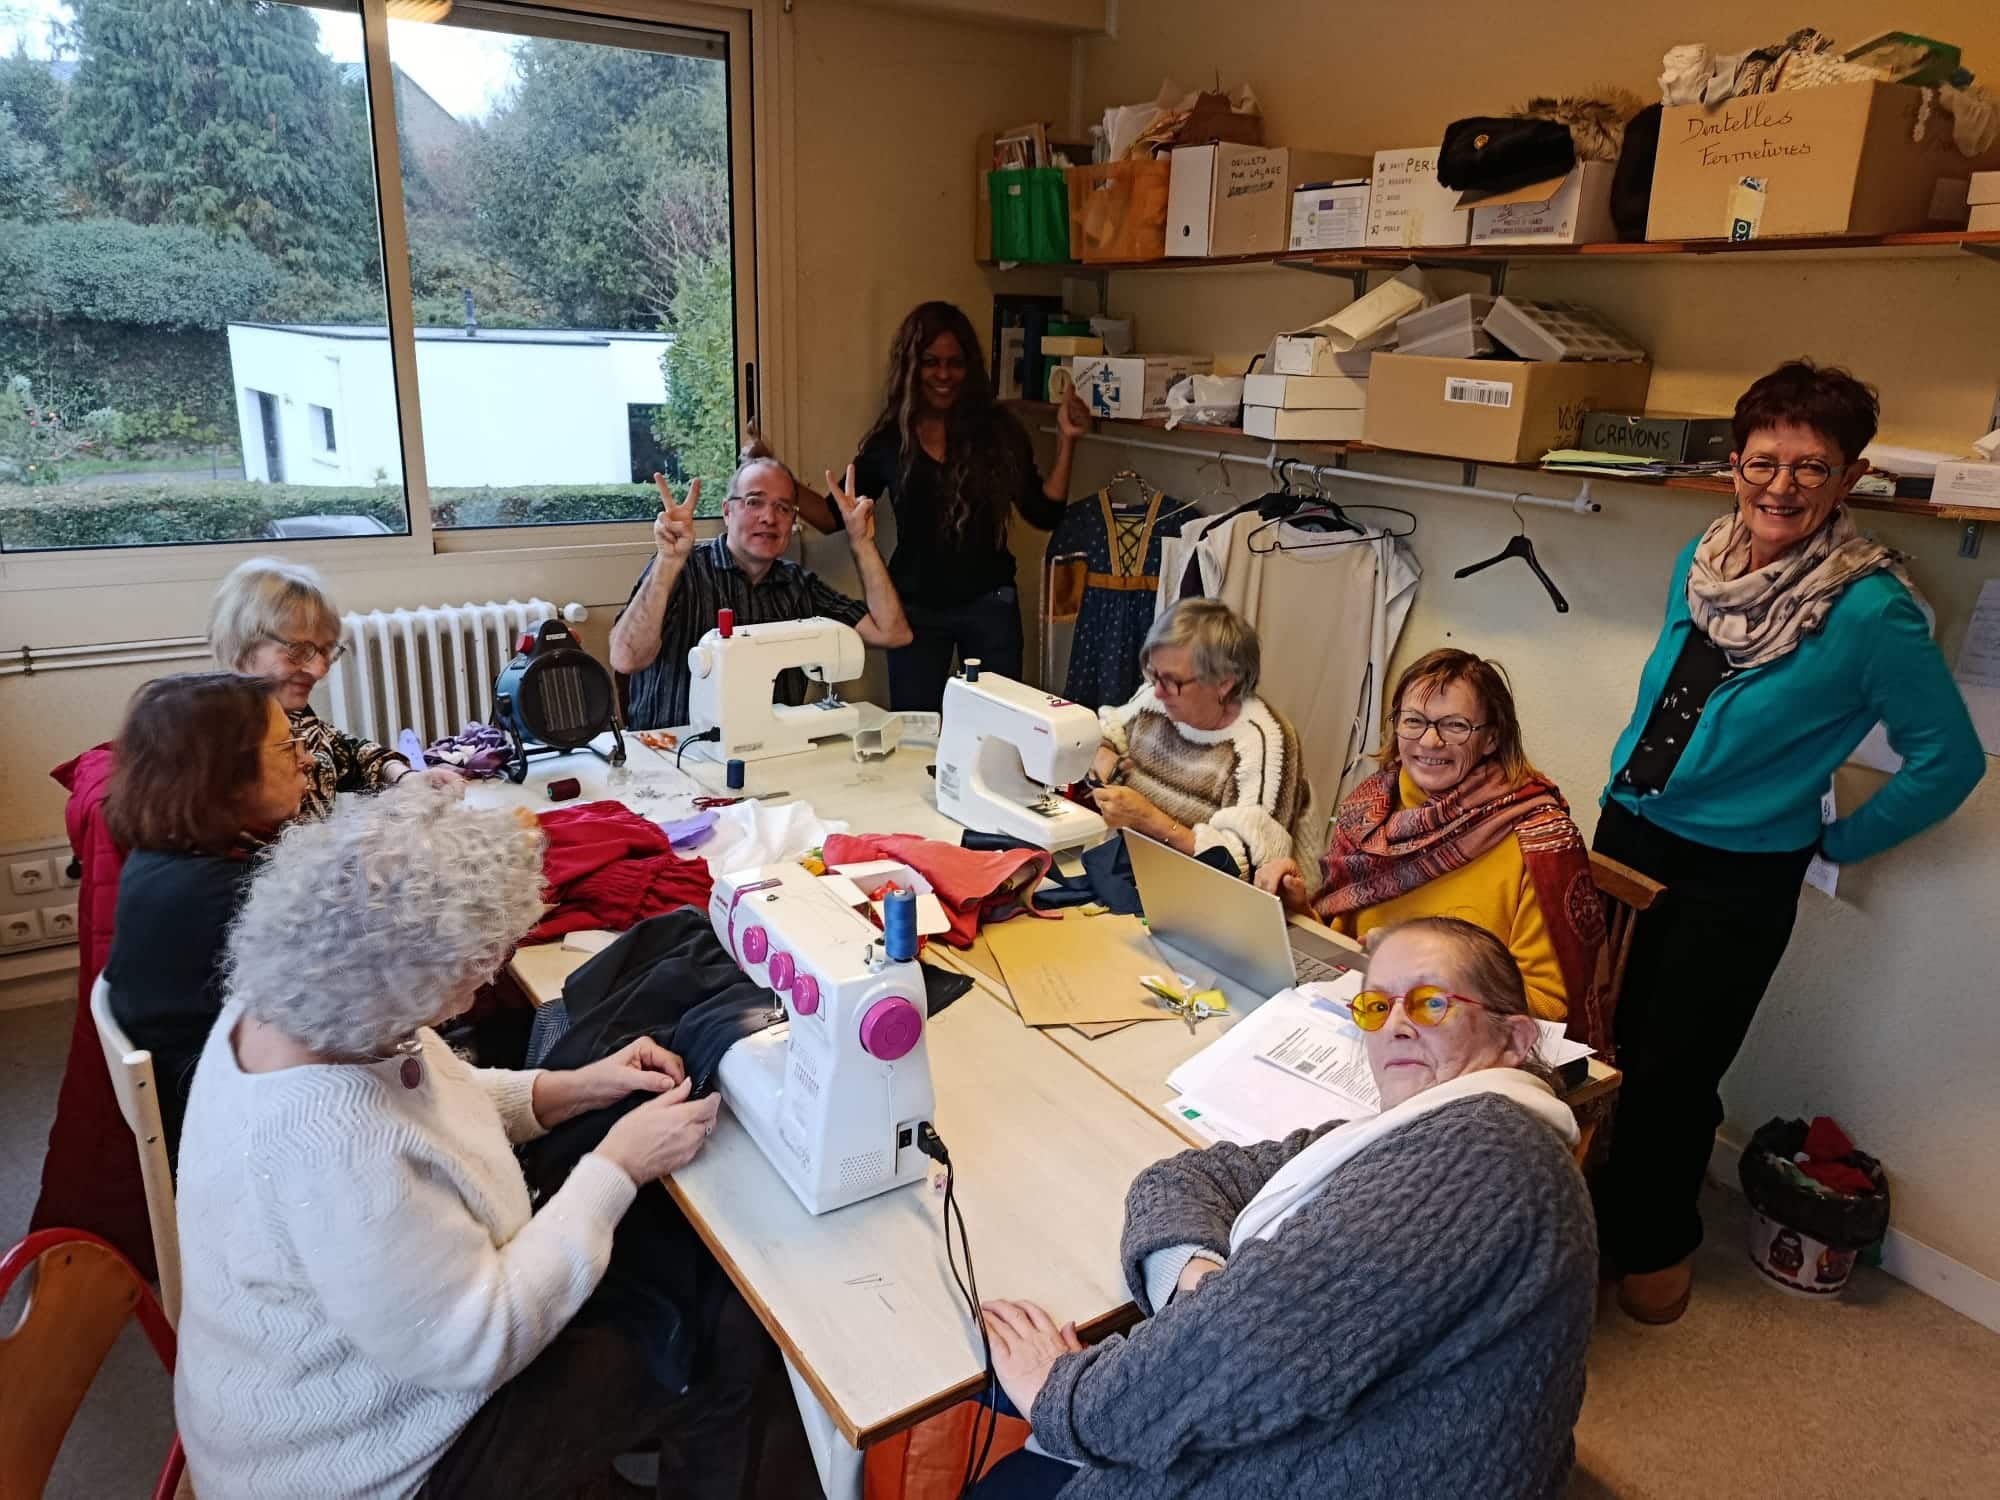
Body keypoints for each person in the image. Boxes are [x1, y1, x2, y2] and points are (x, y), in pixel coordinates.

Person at [172, 783, 798, 1499]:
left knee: (673, 1280)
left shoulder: (292, 1010)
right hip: (377, 1466)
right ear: (401, 982)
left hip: (360, 1377)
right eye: (471, 976)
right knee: (720, 1331)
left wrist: (574, 1087)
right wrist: (619, 1165)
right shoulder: (333, 1147)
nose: (481, 990)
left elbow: (432, 1103)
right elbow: (481, 1338)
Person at [1593, 361, 1983, 1326]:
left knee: (1676, 1072)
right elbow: (1675, 693)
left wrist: (1840, 841)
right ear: (1734, 464)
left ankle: (1652, 1245)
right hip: (1627, 831)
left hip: (1733, 874)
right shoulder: (1704, 557)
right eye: (1763, 461)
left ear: (1850, 478)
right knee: (1595, 1038)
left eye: (1811, 467)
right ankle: (1577, 1208)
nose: (1780, 486)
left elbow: (1950, 758)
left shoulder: (1871, 608)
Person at [971, 916, 1594, 1500]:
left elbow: (1247, 1351)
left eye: (1431, 1003)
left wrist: (1062, 1396)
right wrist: (1198, 1281)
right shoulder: (1400, 1135)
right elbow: (1184, 1179)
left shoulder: (1482, 1156)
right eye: (1376, 1007)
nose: (1396, 1026)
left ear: (1514, 1038)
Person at [1256, 648, 1604, 1040]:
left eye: (1455, 726)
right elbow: (1348, 950)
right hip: (1363, 1018)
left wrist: (1425, 968)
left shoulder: (1540, 839)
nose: (1430, 740)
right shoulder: (1371, 808)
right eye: (1414, 721)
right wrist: (1297, 908)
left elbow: (1550, 1008)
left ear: (1491, 738)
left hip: (1466, 1044)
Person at [794, 301, 1092, 712]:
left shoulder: (998, 433)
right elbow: (833, 517)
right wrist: (777, 480)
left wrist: (1067, 440)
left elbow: (1044, 512)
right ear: (911, 367)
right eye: (931, 362)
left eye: (955, 363)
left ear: (970, 368)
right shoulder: (891, 442)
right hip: (915, 612)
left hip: (990, 605)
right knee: (916, 730)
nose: (943, 374)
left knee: (998, 726)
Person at [98, 673, 311, 1166]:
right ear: (224, 775)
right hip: (242, 1144)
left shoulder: (161, 860)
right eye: (287, 747)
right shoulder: (228, 896)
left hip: (205, 1103)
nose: (306, 758)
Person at [610, 441, 912, 730]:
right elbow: (625, 659)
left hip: (768, 750)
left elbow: (892, 633)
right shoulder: (680, 570)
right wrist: (668, 561)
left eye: (783, 508)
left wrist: (861, 542)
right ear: (727, 511)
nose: (769, 517)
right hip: (672, 751)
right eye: (754, 502)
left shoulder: (798, 585)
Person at [1087, 599, 1310, 879]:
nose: (1158, 691)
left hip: (1198, 891)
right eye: (1153, 674)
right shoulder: (1154, 699)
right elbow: (1105, 733)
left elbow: (1249, 868)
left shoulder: (1264, 744)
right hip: (1134, 872)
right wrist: (1101, 751)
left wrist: (1149, 820)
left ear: (1224, 683)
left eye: (1172, 681)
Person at [208, 555, 414, 816]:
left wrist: (405, 777)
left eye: (326, 650)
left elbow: (349, 753)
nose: (319, 670)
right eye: (299, 650)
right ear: (242, 646)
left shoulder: (298, 717)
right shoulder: (214, 742)